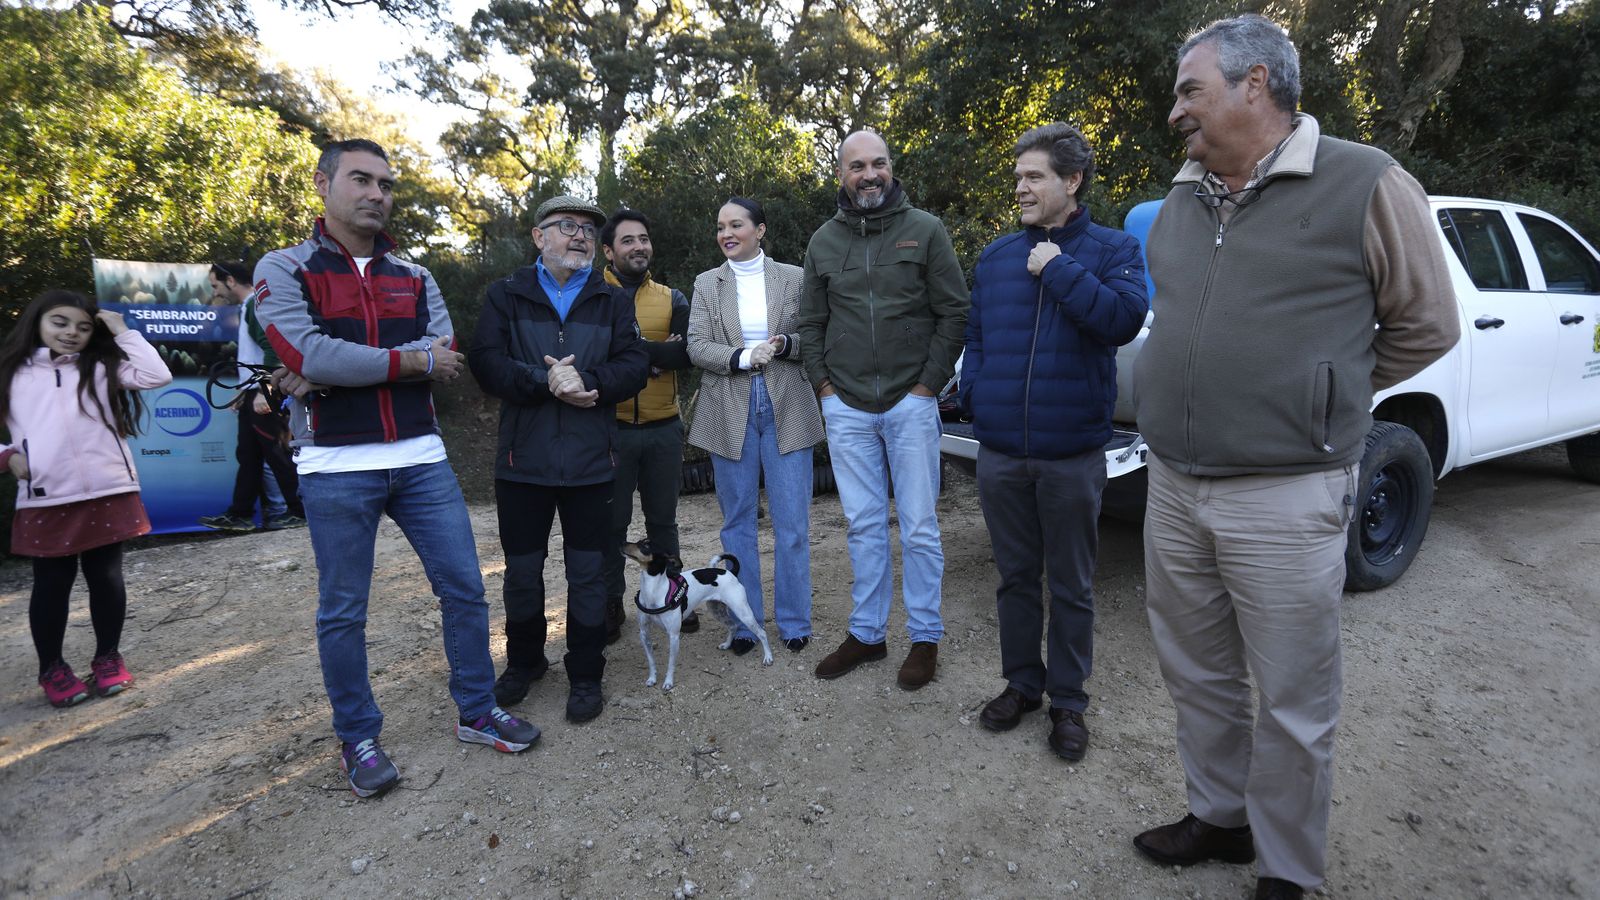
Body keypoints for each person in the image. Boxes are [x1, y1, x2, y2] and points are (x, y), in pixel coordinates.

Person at [1130, 16, 1459, 899]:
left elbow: (1428, 323)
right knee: (1196, 671)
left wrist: (1325, 391)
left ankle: (1286, 867)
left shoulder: (1366, 181)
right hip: (1173, 485)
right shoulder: (1182, 200)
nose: (1176, 112)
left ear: (1256, 84)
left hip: (1286, 491)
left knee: (1292, 698)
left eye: (1190, 91)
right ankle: (1219, 817)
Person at [256, 138, 540, 799]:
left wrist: (334, 367)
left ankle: (477, 710)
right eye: (362, 180)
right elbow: (310, 353)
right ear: (323, 183)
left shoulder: (415, 276)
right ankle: (358, 737)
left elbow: (442, 351)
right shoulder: (284, 267)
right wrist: (403, 363)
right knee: (343, 612)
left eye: (385, 184)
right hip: (333, 464)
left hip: (420, 457)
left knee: (464, 590)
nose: (376, 194)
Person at [961, 124, 1148, 760]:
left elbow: (1122, 321)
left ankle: (1068, 701)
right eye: (1018, 177)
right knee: (1015, 578)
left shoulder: (1114, 248)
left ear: (1071, 181)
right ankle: (1022, 685)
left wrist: (1058, 267)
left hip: (1072, 455)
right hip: (1002, 453)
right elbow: (977, 337)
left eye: (1033, 176)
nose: (1020, 187)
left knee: (1071, 584)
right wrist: (979, 395)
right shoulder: (995, 258)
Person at [798, 131, 968, 689]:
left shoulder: (926, 230)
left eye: (878, 163)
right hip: (846, 406)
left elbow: (954, 312)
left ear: (891, 168)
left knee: (919, 527)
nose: (869, 174)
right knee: (864, 526)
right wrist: (824, 386)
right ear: (841, 175)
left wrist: (927, 386)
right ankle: (868, 634)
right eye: (857, 166)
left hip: (910, 403)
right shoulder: (823, 241)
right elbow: (811, 322)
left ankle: (925, 637)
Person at [469, 194, 648, 723]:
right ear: (538, 236)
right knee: (522, 573)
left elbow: (634, 364)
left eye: (588, 230)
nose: (580, 236)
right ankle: (525, 662)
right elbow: (485, 362)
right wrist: (544, 379)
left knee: (589, 574)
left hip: (592, 464)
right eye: (566, 225)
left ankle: (586, 672)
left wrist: (588, 381)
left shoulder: (612, 299)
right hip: (522, 463)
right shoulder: (506, 294)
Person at [0, 291, 172, 707]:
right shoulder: (10, 373)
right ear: (37, 322)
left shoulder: (101, 366)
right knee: (52, 585)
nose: (71, 333)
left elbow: (157, 375)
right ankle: (52, 668)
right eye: (60, 322)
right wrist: (7, 456)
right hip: (46, 495)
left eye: (82, 326)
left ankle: (108, 657)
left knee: (107, 578)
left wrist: (121, 330)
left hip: (109, 487)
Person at [686, 197, 825, 654]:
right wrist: (744, 356)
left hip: (789, 404)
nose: (726, 234)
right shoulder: (707, 283)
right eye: (720, 227)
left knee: (793, 523)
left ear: (760, 230)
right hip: (726, 407)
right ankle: (745, 626)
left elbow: (814, 336)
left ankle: (795, 622)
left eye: (736, 225)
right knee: (737, 524)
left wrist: (784, 345)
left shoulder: (794, 277)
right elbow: (696, 346)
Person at [598, 208, 700, 643]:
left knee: (664, 521)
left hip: (664, 427)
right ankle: (609, 605)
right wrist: (655, 353)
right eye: (628, 240)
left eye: (643, 238)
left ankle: (674, 595)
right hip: (611, 429)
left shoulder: (672, 298)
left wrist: (630, 353)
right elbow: (596, 357)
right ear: (608, 251)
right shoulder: (593, 295)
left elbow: (685, 354)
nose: (638, 246)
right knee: (611, 524)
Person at [199, 259, 306, 532]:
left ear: (230, 281)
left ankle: (301, 511)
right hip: (254, 391)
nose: (215, 292)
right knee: (248, 455)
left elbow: (273, 348)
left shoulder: (254, 305)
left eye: (216, 286)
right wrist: (245, 390)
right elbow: (256, 355)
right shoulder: (250, 305)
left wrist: (262, 390)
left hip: (265, 390)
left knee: (278, 453)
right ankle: (241, 514)